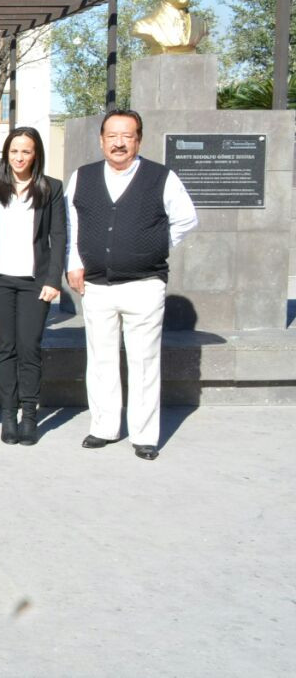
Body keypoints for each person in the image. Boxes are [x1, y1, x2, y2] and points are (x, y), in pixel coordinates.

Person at [65, 109, 198, 461]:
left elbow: (186, 218)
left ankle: (144, 435)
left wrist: (152, 245)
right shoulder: (83, 177)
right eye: (112, 136)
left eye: (127, 136)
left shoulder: (161, 177)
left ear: (138, 139)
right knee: (101, 358)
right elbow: (72, 223)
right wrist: (74, 263)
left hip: (144, 284)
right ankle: (104, 427)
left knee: (143, 361)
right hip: (96, 285)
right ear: (101, 140)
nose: (119, 143)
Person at [0, 127, 65, 446]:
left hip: (34, 283)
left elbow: (59, 236)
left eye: (26, 151)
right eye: (14, 151)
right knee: (5, 348)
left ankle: (29, 416)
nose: (19, 157)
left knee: (30, 349)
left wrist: (54, 279)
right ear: (6, 153)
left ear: (36, 154)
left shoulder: (51, 187)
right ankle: (8, 417)